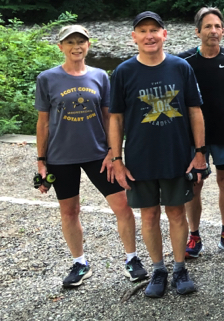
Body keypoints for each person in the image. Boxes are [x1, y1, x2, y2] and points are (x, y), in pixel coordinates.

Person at [35, 24, 146, 288]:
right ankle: (80, 263)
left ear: (89, 45)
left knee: (123, 205)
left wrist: (113, 152)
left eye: (81, 41)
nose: (76, 46)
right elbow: (43, 123)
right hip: (60, 157)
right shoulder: (47, 79)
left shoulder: (100, 76)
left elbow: (110, 117)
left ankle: (132, 259)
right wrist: (41, 160)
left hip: (99, 154)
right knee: (70, 210)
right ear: (60, 46)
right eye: (70, 42)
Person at [108, 11, 207, 298]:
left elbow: (194, 111)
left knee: (176, 213)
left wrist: (199, 152)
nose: (149, 35)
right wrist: (117, 159)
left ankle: (179, 268)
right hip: (140, 158)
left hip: (176, 154)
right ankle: (158, 269)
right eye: (142, 31)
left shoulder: (180, 67)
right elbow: (115, 119)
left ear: (165, 34)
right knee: (148, 215)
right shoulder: (124, 72)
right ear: (134, 37)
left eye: (154, 30)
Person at [178, 7, 224, 258]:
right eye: (208, 26)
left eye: (217, 26)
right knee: (195, 183)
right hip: (193, 137)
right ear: (198, 32)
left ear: (223, 31)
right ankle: (194, 236)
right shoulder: (184, 62)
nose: (213, 31)